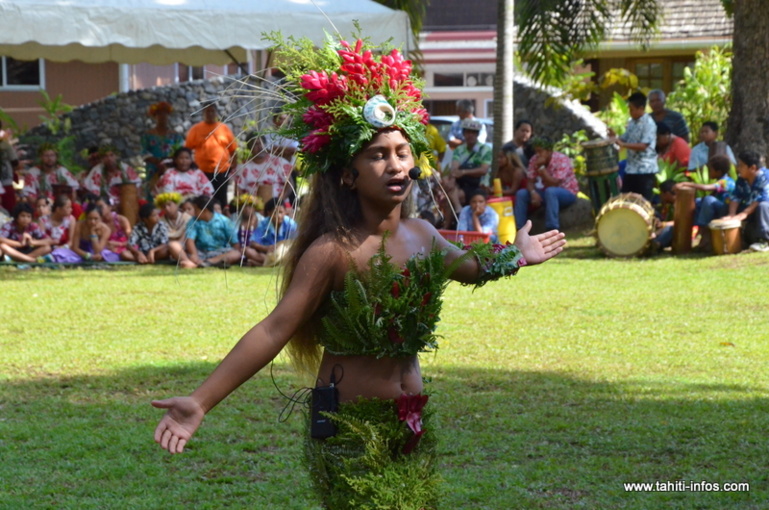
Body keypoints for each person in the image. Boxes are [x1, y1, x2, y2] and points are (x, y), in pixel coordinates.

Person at [151, 36, 565, 509]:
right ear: (348, 174)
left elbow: (472, 267)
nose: (395, 164)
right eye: (377, 154)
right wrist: (201, 400)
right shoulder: (333, 251)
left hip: (410, 421)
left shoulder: (423, 234)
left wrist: (518, 254)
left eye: (402, 152)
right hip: (350, 427)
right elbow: (274, 329)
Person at [514, 136, 579, 232]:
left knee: (551, 191)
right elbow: (530, 181)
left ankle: (552, 228)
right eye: (536, 151)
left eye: (540, 151)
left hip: (566, 192)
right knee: (521, 194)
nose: (537, 154)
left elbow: (555, 183)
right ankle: (520, 229)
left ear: (549, 151)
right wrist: (533, 193)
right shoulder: (534, 159)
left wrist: (541, 168)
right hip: (546, 192)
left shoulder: (561, 159)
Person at [675, 154, 735, 251]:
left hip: (725, 211)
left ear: (718, 172)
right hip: (718, 209)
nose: (709, 172)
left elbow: (705, 188)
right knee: (699, 201)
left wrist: (685, 183)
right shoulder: (720, 181)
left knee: (708, 200)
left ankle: (703, 231)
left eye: (711, 170)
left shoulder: (726, 181)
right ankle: (688, 232)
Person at [184, 102, 238, 208]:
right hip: (202, 172)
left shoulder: (224, 128)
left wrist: (233, 165)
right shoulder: (196, 129)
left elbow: (233, 149)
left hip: (221, 171)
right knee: (204, 200)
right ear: (203, 113)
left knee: (222, 200)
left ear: (216, 113)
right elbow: (187, 149)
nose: (210, 113)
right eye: (207, 111)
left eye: (212, 111)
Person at [611, 92, 658, 201]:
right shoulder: (631, 122)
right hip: (631, 169)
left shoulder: (649, 124)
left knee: (643, 202)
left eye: (632, 109)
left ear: (641, 108)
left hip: (645, 170)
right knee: (626, 200)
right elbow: (624, 138)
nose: (630, 112)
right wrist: (615, 137)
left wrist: (624, 145)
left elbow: (643, 146)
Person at [720, 150, 769, 252]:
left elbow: (761, 198)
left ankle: (765, 241)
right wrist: (732, 214)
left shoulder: (765, 177)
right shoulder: (741, 179)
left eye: (741, 166)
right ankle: (731, 241)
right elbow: (736, 196)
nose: (738, 168)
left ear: (752, 168)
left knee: (763, 205)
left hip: (763, 211)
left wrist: (744, 214)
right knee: (725, 207)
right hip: (751, 211)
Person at [444, 118, 493, 213]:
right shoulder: (459, 149)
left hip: (479, 185)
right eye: (468, 132)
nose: (470, 135)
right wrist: (453, 180)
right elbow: (454, 167)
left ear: (477, 134)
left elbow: (483, 170)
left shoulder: (485, 149)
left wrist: (463, 172)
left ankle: (458, 213)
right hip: (462, 183)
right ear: (463, 133)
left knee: (453, 197)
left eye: (473, 132)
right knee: (450, 188)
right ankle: (450, 224)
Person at [184, 195, 243, 268]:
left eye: (196, 210)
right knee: (174, 246)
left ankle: (208, 262)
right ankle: (207, 263)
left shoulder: (224, 221)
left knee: (236, 254)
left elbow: (234, 242)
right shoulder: (193, 221)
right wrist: (194, 254)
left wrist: (236, 255)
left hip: (220, 252)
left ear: (204, 210)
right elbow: (190, 240)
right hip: (200, 252)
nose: (194, 213)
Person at [234, 133, 293, 205]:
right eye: (255, 144)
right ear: (249, 148)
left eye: (261, 143)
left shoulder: (279, 162)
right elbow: (238, 190)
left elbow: (289, 184)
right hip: (252, 207)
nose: (259, 147)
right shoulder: (243, 167)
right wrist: (246, 204)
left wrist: (280, 201)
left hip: (278, 206)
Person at [141, 102, 184, 196]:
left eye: (165, 114)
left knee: (170, 191)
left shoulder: (175, 135)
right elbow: (144, 152)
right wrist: (158, 162)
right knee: (153, 191)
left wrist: (168, 162)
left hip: (170, 168)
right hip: (153, 169)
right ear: (155, 116)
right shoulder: (147, 135)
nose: (162, 116)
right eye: (159, 114)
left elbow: (180, 152)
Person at [247, 197, 297, 263]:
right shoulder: (263, 224)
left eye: (281, 212)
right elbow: (253, 242)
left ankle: (260, 263)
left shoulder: (290, 224)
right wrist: (266, 248)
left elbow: (295, 242)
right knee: (246, 250)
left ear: (285, 212)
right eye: (275, 213)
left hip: (285, 254)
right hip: (267, 254)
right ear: (269, 213)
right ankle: (268, 262)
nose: (279, 216)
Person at [651, 179, 677, 251]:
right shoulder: (668, 204)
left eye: (661, 193)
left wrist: (663, 224)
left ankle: (657, 244)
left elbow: (679, 222)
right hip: (665, 229)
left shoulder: (680, 203)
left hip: (675, 232)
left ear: (667, 194)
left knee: (670, 229)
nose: (660, 196)